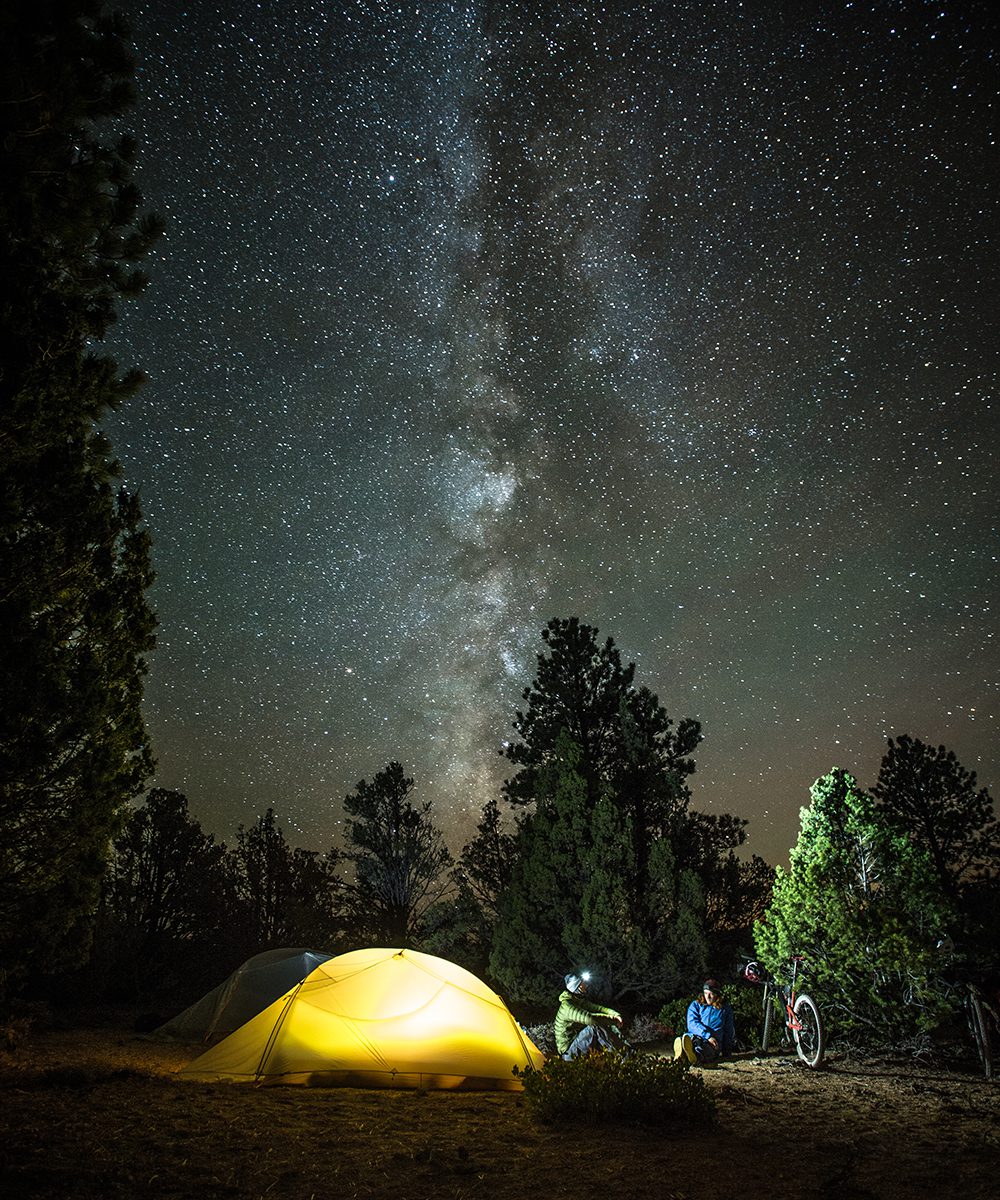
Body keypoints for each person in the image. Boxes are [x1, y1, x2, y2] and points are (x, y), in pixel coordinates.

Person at [554, 972, 623, 1059]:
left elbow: (598, 1009)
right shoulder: (567, 1007)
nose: (585, 985)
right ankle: (621, 1056)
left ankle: (623, 1050)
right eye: (582, 983)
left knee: (606, 1025)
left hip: (577, 1043)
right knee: (594, 1027)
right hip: (569, 1052)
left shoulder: (578, 1001)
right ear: (577, 987)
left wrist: (615, 1014)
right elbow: (590, 1019)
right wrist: (613, 1020)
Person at [681, 978, 736, 1066]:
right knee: (689, 1040)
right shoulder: (695, 1005)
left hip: (713, 1044)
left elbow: (728, 1030)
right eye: (706, 993)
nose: (708, 996)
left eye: (711, 993)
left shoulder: (725, 1009)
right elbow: (692, 1024)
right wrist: (707, 1036)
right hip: (696, 1037)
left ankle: (692, 1056)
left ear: (717, 994)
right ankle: (686, 1052)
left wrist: (727, 1052)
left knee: (703, 1048)